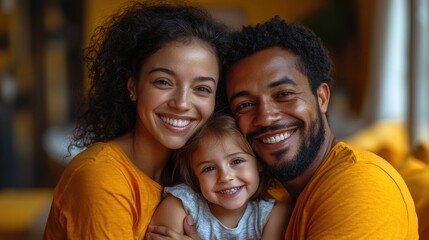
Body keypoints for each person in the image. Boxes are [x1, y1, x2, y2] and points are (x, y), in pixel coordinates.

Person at [43, 1, 230, 239]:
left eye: (202, 88)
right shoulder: (102, 177)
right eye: (163, 82)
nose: (182, 103)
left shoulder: (200, 176)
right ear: (133, 86)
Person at [223, 16, 419, 239]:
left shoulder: (361, 185)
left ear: (322, 97)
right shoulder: (266, 195)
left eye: (284, 94)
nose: (266, 117)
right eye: (245, 105)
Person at [149, 114, 290, 240]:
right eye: (209, 168)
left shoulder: (272, 214)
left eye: (237, 161)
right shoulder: (182, 204)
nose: (225, 177)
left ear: (258, 162)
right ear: (195, 176)